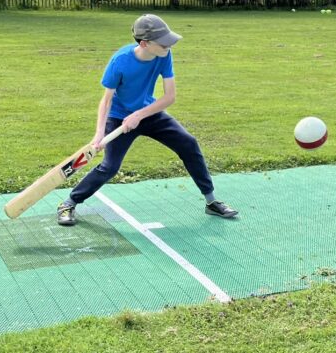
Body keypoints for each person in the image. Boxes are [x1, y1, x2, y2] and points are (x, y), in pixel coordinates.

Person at [56, 13, 239, 226]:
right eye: (163, 43)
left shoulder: (163, 55)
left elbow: (169, 97)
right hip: (118, 119)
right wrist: (99, 134)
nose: (169, 46)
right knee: (110, 167)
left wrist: (139, 115)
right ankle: (68, 203)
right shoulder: (120, 61)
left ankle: (211, 202)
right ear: (144, 43)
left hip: (149, 113)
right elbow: (106, 101)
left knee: (188, 144)